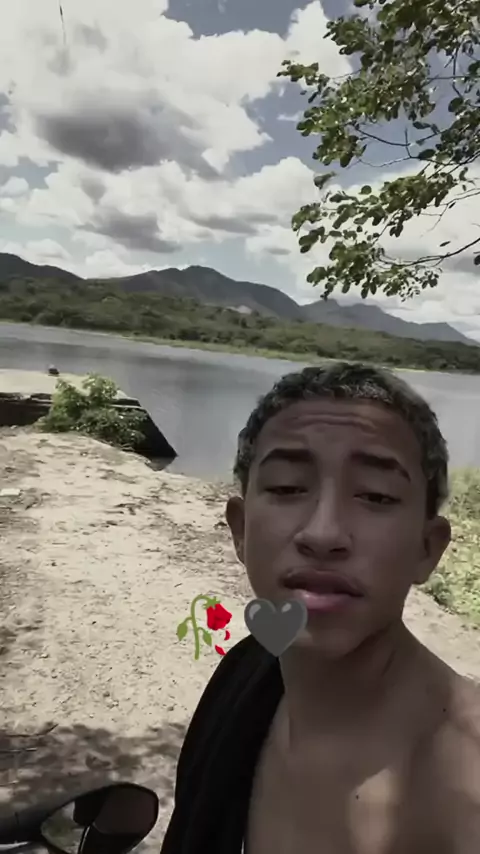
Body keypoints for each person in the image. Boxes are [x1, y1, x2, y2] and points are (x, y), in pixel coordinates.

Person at [160, 361, 480, 854]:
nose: (323, 533)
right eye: (287, 487)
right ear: (240, 530)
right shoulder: (242, 674)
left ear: (427, 548)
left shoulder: (468, 781)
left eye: (375, 495)